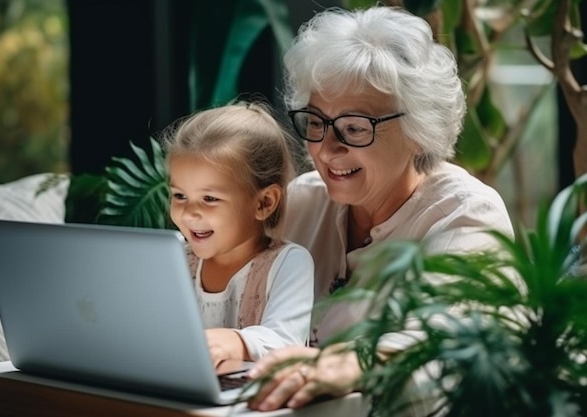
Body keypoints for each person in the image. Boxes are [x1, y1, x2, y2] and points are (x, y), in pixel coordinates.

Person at [246, 4, 515, 414]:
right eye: (316, 122)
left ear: (418, 132)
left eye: (354, 128)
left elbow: (446, 340)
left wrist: (351, 363)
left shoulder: (465, 213)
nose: (326, 148)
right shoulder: (304, 200)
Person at [163, 101, 315, 368]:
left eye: (209, 198)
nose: (189, 213)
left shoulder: (289, 263)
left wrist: (236, 342)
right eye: (180, 196)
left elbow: (285, 341)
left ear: (264, 203)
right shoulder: (175, 262)